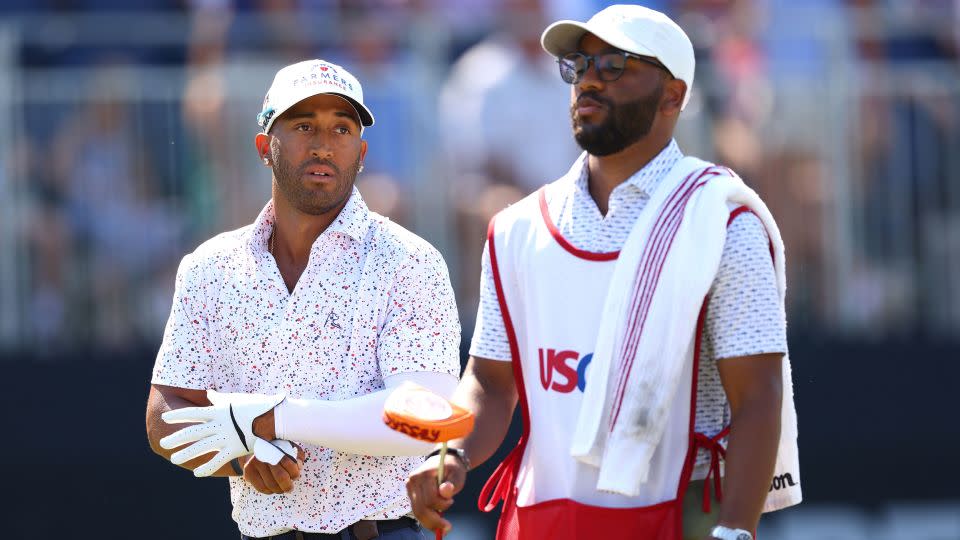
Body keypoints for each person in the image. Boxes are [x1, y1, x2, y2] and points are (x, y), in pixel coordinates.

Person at [405, 6, 801, 540]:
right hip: (544, 514)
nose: (588, 79)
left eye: (615, 65)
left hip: (681, 513)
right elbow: (491, 383)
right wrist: (449, 453)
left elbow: (757, 396)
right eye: (580, 64)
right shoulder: (517, 228)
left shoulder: (725, 219)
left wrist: (734, 530)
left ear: (673, 96)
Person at [145, 59, 462, 540]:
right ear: (264, 148)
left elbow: (422, 418)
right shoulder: (210, 267)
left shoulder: (410, 261)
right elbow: (165, 412)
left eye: (341, 128)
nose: (322, 144)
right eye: (302, 125)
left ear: (362, 151)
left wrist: (270, 419)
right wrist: (242, 456)